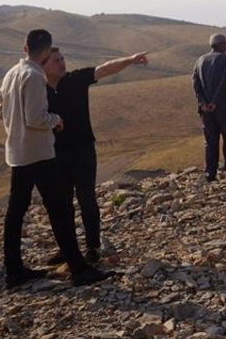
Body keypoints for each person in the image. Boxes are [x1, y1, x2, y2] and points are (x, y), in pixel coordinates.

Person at [0, 30, 109, 288]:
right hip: (38, 152)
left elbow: (0, 110)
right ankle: (78, 269)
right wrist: (55, 120)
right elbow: (36, 118)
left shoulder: (12, 73)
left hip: (16, 151)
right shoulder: (34, 76)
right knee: (59, 209)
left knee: (16, 211)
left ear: (24, 46)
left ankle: (13, 269)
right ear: (47, 51)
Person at [42, 46, 148, 264]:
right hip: (54, 153)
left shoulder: (75, 79)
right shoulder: (37, 88)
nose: (62, 63)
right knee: (62, 203)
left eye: (62, 58)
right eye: (55, 60)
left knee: (87, 199)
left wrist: (129, 59)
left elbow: (105, 69)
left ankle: (92, 247)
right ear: (42, 65)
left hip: (82, 150)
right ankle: (67, 247)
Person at [193, 33, 226, 181]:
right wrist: (215, 102)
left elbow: (196, 84)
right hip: (223, 108)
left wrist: (203, 102)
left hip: (206, 110)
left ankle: (209, 173)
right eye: (225, 44)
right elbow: (224, 82)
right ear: (221, 44)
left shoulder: (200, 60)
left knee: (210, 142)